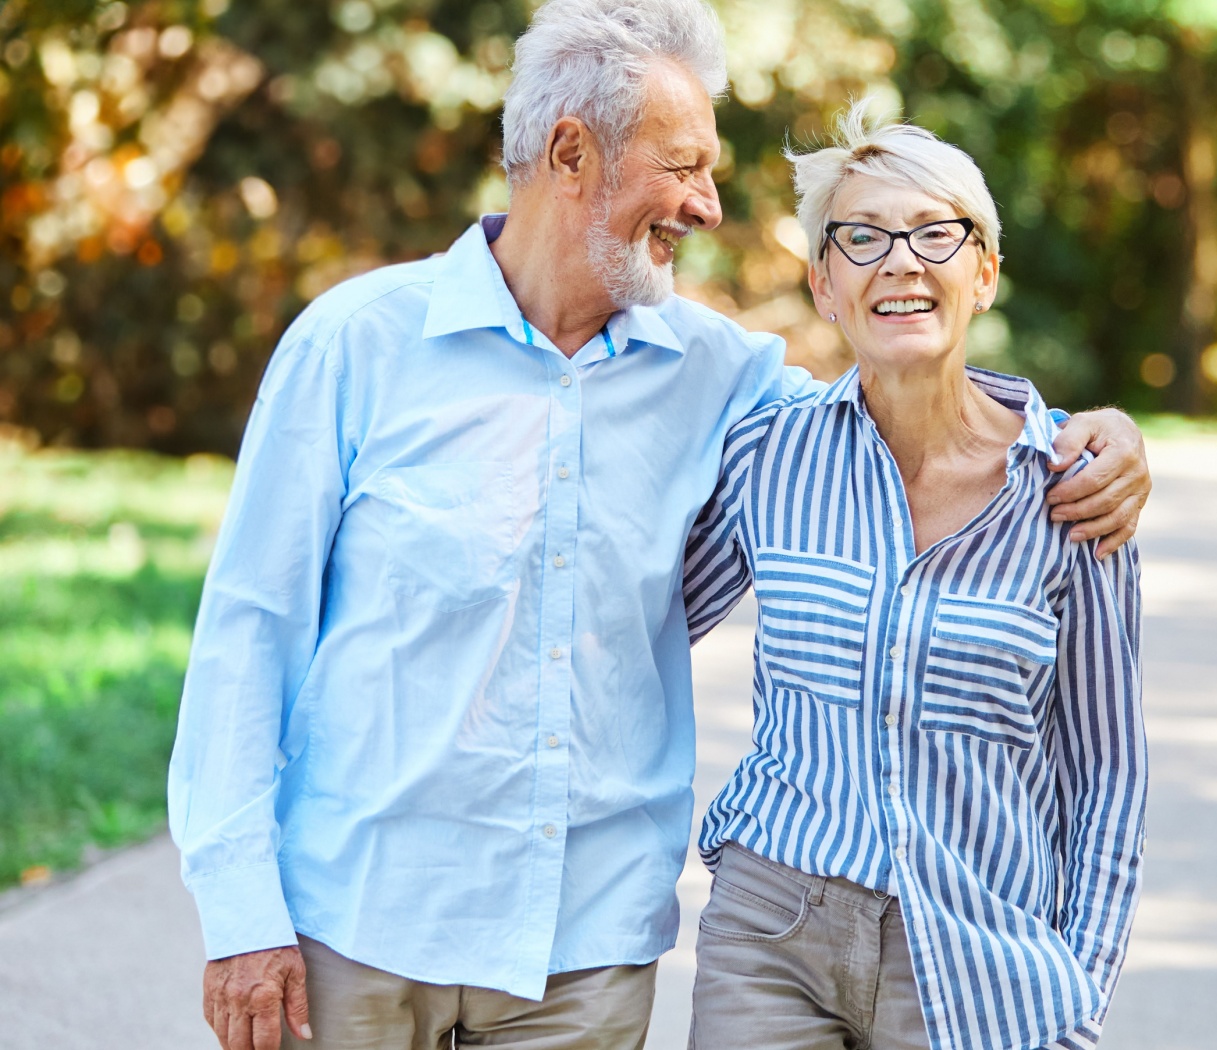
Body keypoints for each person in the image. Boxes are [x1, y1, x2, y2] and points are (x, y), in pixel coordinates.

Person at [166, 3, 1153, 1049]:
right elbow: (247, 635)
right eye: (685, 166)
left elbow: (900, 388)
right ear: (570, 152)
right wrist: (240, 919)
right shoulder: (355, 347)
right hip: (360, 928)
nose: (710, 206)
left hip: (582, 955)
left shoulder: (721, 378)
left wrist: (1088, 435)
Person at [680, 106, 1146, 1050]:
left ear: (984, 273)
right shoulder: (768, 455)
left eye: (937, 233)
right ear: (823, 284)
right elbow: (631, 625)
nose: (900, 261)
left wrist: (1076, 989)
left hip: (978, 958)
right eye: (861, 238)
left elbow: (1108, 773)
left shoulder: (1072, 489)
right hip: (772, 931)